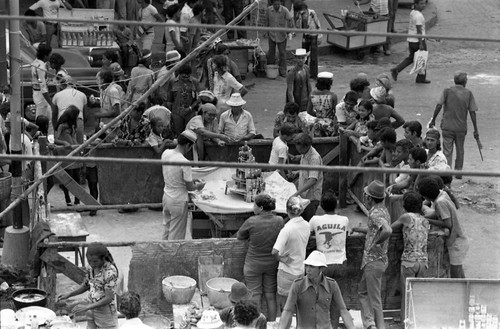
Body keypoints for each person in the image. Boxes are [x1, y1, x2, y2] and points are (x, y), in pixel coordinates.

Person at [235, 194, 283, 322]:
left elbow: (240, 236)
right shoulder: (279, 220)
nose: (253, 207)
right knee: (270, 295)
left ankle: (256, 324)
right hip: (272, 264)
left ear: (261, 207)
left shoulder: (251, 221)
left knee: (255, 296)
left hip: (253, 265)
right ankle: (272, 323)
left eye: (254, 205)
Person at [351, 180, 392, 329]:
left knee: (374, 298)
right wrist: (358, 228)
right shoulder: (384, 210)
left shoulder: (375, 213)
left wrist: (376, 243)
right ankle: (370, 324)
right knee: (363, 292)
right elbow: (375, 231)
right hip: (375, 261)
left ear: (369, 198)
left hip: (374, 261)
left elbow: (387, 230)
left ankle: (378, 326)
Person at [278, 251, 356, 329]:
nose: (308, 269)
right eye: (307, 266)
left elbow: (343, 310)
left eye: (312, 266)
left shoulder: (332, 284)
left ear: (321, 268)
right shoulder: (297, 285)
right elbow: (287, 311)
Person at [428, 71, 480, 178]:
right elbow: (472, 112)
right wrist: (475, 129)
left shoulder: (447, 91)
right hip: (461, 128)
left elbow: (439, 105)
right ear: (465, 82)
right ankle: (458, 173)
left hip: (447, 126)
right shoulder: (468, 93)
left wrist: (433, 119)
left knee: (447, 151)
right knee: (460, 150)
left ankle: (447, 173)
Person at [56, 243, 119, 329]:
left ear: (103, 259)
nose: (92, 264)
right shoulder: (90, 267)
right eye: (89, 261)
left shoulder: (110, 272)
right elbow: (86, 285)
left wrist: (86, 307)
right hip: (91, 307)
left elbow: (109, 298)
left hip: (105, 312)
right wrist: (69, 294)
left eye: (95, 261)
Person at [391, 191, 430, 322]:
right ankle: (417, 321)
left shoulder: (406, 217)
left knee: (407, 295)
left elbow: (390, 229)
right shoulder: (425, 220)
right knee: (417, 295)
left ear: (405, 205)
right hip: (423, 262)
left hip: (409, 261)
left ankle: (405, 322)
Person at [419, 176, 469, 278]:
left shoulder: (439, 202)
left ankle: (459, 292)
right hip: (459, 237)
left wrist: (427, 220)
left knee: (455, 273)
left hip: (456, 241)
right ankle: (465, 289)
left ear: (426, 197)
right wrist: (422, 217)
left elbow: (448, 224)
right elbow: (439, 214)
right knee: (458, 270)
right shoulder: (442, 194)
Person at [161, 130, 205, 240]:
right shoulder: (184, 162)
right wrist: (198, 186)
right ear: (188, 146)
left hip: (166, 196)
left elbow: (175, 175)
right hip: (178, 201)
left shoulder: (166, 153)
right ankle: (172, 257)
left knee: (167, 229)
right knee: (176, 235)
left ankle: (163, 254)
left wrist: (191, 180)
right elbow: (190, 187)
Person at [272, 196, 310, 311]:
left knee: (284, 305)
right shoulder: (307, 225)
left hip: (287, 271)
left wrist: (281, 259)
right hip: (300, 270)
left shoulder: (287, 229)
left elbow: (274, 251)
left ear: (287, 211)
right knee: (296, 304)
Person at [390, 0, 430, 84]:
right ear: (416, 4)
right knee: (422, 59)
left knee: (411, 58)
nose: (423, 5)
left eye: (424, 3)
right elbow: (419, 31)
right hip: (417, 41)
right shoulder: (419, 16)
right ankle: (421, 77)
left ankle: (397, 70)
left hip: (411, 40)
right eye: (421, 4)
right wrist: (421, 43)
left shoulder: (413, 12)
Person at [291, 133, 323, 221]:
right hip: (303, 194)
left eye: (300, 149)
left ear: (306, 146)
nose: (298, 151)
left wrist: (296, 194)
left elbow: (312, 180)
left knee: (308, 221)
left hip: (311, 197)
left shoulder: (314, 158)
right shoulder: (305, 153)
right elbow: (306, 170)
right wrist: (298, 172)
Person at [167, 63, 200, 136]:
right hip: (176, 113)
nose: (185, 78)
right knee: (179, 135)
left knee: (191, 134)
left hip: (190, 112)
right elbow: (169, 100)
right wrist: (170, 113)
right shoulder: (172, 82)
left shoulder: (195, 82)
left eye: (187, 76)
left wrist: (191, 108)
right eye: (183, 76)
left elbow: (199, 98)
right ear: (179, 74)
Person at [51, 76, 86, 144]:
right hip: (78, 121)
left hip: (64, 122)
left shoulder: (57, 95)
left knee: (67, 149)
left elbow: (54, 115)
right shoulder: (82, 95)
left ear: (62, 85)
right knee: (79, 147)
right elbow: (85, 114)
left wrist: (56, 128)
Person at [266, 0, 294, 77]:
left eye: (278, 4)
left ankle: (282, 71)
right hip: (271, 34)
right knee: (271, 53)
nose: (277, 6)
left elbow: (290, 20)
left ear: (280, 4)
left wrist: (289, 31)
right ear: (272, 4)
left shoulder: (285, 10)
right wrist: (266, 31)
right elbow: (267, 21)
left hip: (281, 35)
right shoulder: (269, 10)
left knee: (282, 53)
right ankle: (271, 69)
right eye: (275, 4)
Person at [294, 3, 321, 79]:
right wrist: (298, 18)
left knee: (313, 56)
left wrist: (319, 35)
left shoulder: (312, 13)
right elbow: (298, 27)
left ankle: (314, 74)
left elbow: (317, 23)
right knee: (304, 55)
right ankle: (303, 72)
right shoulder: (299, 16)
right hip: (305, 35)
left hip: (313, 35)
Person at [31, 44, 54, 135]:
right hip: (41, 96)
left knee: (50, 120)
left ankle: (50, 138)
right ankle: (40, 139)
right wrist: (51, 103)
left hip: (37, 93)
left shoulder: (35, 62)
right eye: (50, 54)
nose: (51, 56)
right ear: (45, 55)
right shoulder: (41, 67)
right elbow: (43, 88)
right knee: (41, 121)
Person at [309, 72, 338, 137]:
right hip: (329, 124)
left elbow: (309, 111)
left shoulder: (312, 94)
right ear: (329, 83)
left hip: (317, 123)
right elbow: (336, 113)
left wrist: (318, 115)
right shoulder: (333, 95)